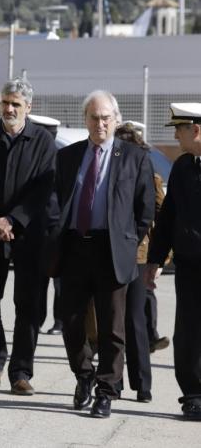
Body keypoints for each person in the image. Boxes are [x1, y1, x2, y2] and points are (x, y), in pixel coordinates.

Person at [52, 90, 154, 418]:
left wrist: (127, 242)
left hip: (112, 250)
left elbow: (145, 209)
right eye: (94, 118)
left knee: (112, 327)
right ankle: (84, 375)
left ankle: (106, 391)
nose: (100, 124)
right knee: (71, 321)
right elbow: (56, 201)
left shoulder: (134, 157)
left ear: (116, 120)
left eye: (106, 118)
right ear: (85, 120)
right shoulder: (68, 157)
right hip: (74, 248)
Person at [0, 78, 56, 395]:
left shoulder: (43, 141)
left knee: (28, 306)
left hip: (28, 235)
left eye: (16, 104)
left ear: (28, 107)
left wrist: (14, 219)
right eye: (5, 102)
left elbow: (44, 187)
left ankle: (21, 371)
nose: (9, 109)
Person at [145, 103, 201, 420]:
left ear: (196, 130)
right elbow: (168, 218)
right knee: (189, 332)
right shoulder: (182, 167)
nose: (176, 137)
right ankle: (193, 395)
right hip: (190, 266)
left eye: (179, 130)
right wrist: (155, 260)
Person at [112, 122, 162, 403]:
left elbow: (157, 211)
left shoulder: (146, 171)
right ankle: (118, 382)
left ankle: (141, 384)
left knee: (132, 319)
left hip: (136, 253)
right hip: (119, 252)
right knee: (118, 319)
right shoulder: (109, 169)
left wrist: (157, 253)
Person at [27, 114, 64, 336]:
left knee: (58, 277)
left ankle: (59, 321)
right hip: (35, 227)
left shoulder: (60, 159)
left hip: (55, 227)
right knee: (37, 279)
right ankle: (37, 319)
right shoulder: (32, 157)